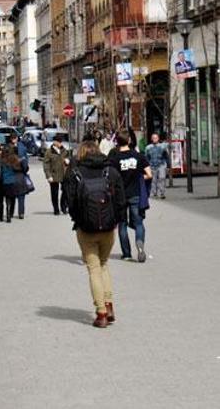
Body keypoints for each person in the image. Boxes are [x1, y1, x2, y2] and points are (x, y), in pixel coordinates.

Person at [63, 140, 126, 328]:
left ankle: (101, 313)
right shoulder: (110, 171)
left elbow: (70, 202)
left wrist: (79, 220)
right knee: (104, 264)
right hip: (108, 227)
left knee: (94, 269)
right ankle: (109, 304)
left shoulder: (74, 173)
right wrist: (116, 220)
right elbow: (120, 199)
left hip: (86, 228)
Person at [107, 130, 153, 262]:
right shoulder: (138, 156)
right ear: (129, 141)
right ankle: (140, 243)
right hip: (135, 193)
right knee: (138, 223)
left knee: (122, 224)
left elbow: (109, 177)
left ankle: (126, 253)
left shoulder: (114, 159)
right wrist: (139, 178)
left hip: (120, 195)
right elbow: (149, 175)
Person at [0, 146, 29, 223]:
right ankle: (8, 216)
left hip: (1, 181)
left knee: (1, 200)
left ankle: (1, 216)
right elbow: (20, 168)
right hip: (11, 181)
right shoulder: (13, 158)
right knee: (9, 199)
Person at [43, 134, 70, 215]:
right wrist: (48, 175)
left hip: (64, 174)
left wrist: (67, 160)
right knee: (54, 193)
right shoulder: (49, 151)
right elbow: (46, 164)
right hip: (54, 174)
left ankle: (63, 206)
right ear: (54, 142)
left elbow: (69, 157)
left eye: (60, 142)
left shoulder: (64, 150)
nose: (60, 144)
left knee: (66, 190)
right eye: (58, 142)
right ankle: (56, 209)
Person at [9, 132, 29, 219]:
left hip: (11, 175)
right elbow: (25, 162)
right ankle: (21, 213)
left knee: (12, 195)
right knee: (21, 195)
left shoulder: (7, 147)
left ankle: (11, 213)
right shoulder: (22, 148)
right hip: (20, 174)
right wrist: (25, 170)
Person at [144, 133, 169, 199]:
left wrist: (168, 165)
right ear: (151, 139)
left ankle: (162, 193)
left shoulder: (162, 146)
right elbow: (146, 157)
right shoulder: (148, 147)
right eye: (153, 138)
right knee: (153, 180)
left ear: (158, 138)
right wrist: (147, 166)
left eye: (156, 138)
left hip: (161, 164)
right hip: (152, 165)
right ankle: (153, 193)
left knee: (162, 178)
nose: (155, 139)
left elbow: (166, 156)